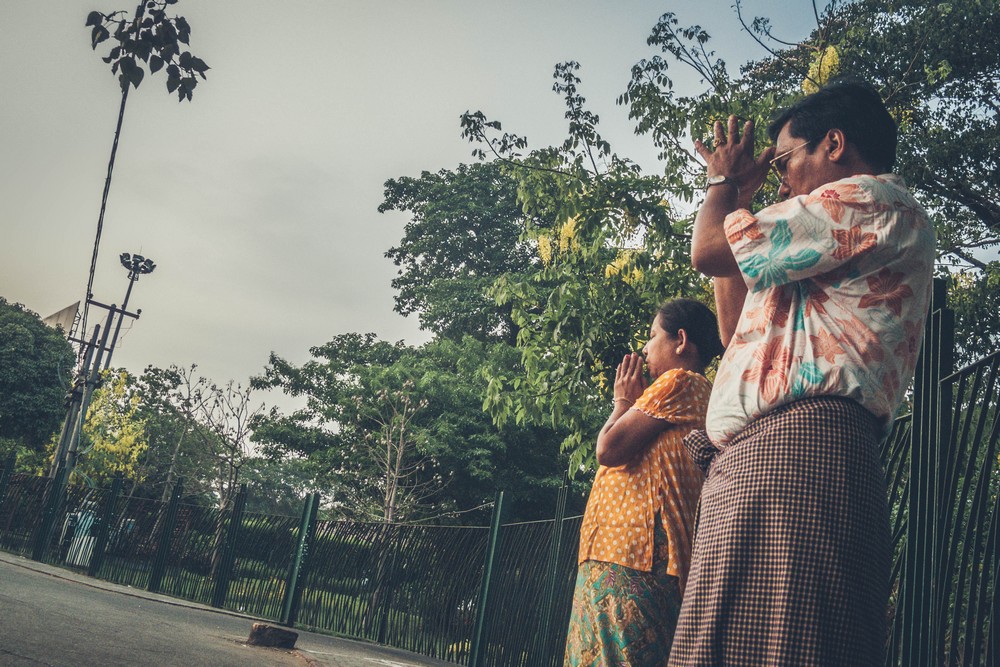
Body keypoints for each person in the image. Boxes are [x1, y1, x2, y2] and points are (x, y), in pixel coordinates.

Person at [668, 79, 935, 666]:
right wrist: (738, 199)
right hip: (766, 456)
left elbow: (708, 247)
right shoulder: (822, 246)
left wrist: (723, 185)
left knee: (786, 645)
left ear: (834, 144)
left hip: (798, 450)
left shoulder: (869, 198)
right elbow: (737, 319)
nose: (780, 176)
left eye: (787, 158)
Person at [564, 298, 724, 666]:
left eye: (653, 336)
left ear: (680, 340)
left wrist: (622, 402)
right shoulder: (680, 391)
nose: (646, 348)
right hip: (617, 551)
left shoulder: (682, 381)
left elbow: (608, 448)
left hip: (635, 554)